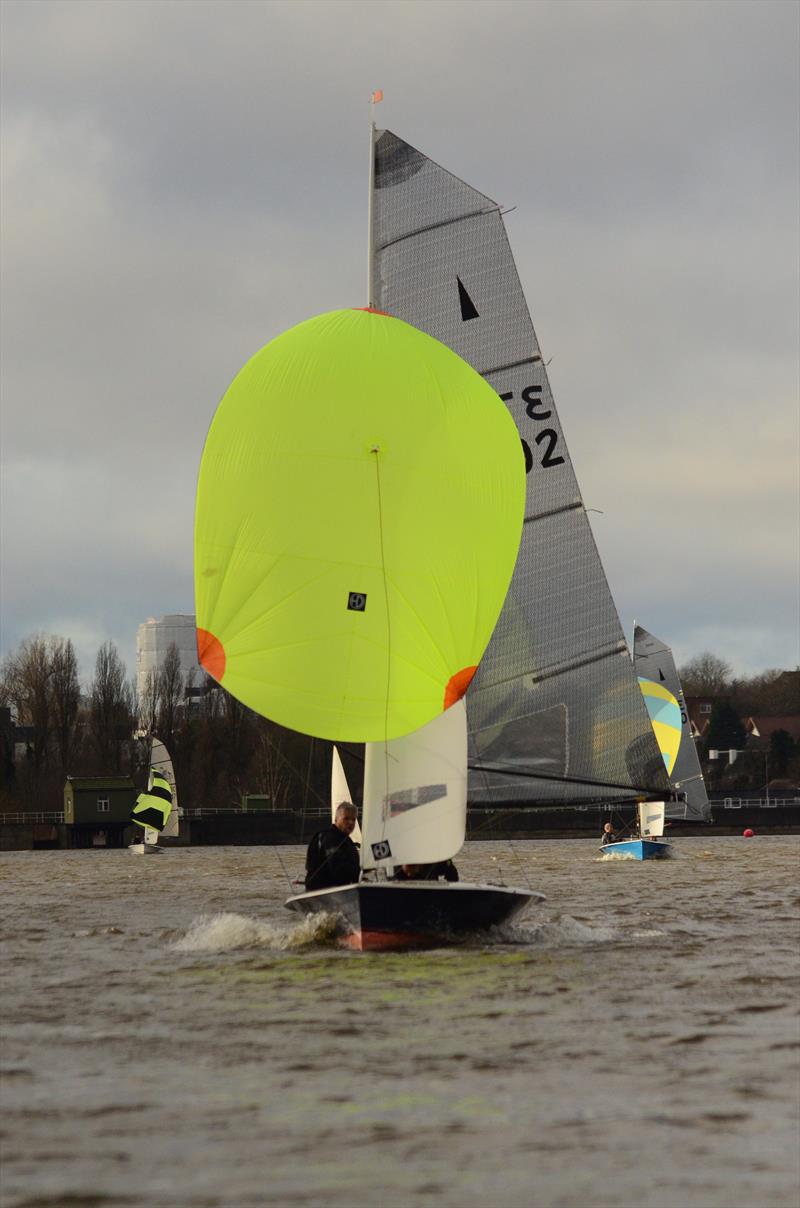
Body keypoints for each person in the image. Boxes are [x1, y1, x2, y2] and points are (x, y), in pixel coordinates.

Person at [305, 802, 360, 892]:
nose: (350, 822)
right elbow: (337, 869)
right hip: (323, 892)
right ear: (336, 819)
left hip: (341, 892)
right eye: (346, 819)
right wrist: (360, 871)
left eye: (353, 820)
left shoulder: (347, 841)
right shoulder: (329, 838)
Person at [394, 860, 459, 882]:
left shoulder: (438, 861)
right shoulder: (394, 867)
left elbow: (452, 874)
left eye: (412, 866)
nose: (409, 874)